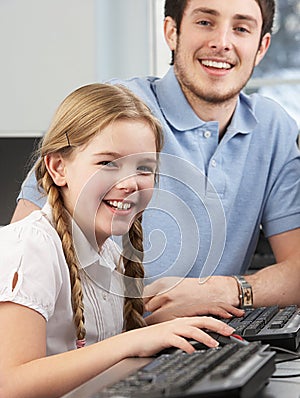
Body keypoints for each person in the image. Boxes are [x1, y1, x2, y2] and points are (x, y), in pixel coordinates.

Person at [11, 0, 300, 324]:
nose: (222, 42)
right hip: (93, 352)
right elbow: (18, 263)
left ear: (261, 47)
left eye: (241, 28)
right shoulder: (118, 110)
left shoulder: (274, 127)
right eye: (205, 22)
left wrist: (223, 290)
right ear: (171, 32)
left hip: (201, 348)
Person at [0, 83, 238, 398]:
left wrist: (161, 328)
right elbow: (13, 390)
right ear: (57, 167)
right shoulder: (29, 245)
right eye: (107, 163)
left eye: (144, 168)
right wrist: (133, 341)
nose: (129, 182)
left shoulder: (108, 253)